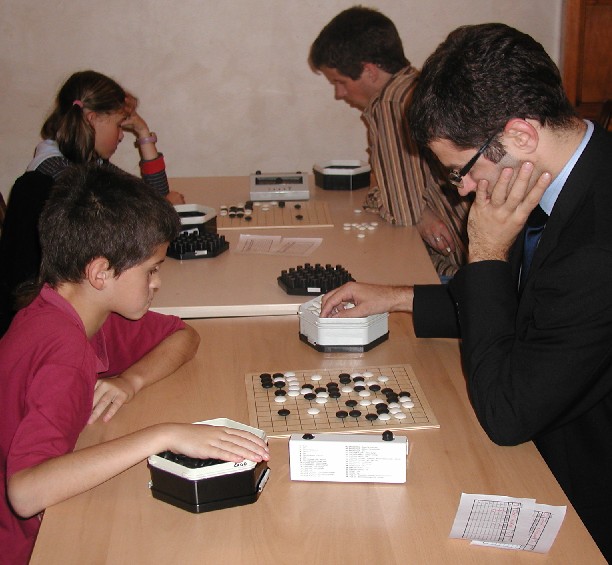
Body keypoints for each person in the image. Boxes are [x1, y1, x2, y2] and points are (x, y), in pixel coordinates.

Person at [320, 23, 612, 560]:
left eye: (462, 171)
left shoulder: (597, 243)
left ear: (520, 135)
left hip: (583, 485)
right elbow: (527, 306)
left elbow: (506, 414)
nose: (465, 191)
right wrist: (398, 297)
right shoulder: (565, 176)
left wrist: (486, 250)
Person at [0, 164, 270, 564]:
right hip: (28, 547)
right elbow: (25, 493)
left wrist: (131, 380)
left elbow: (184, 336)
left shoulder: (76, 311)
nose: (157, 282)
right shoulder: (65, 352)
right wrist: (162, 435)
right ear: (100, 272)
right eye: (151, 269)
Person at [0, 69, 185, 336]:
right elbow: (153, 216)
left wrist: (143, 132)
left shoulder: (87, 162)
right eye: (119, 125)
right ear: (92, 119)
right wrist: (161, 203)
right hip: (47, 319)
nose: (121, 135)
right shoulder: (61, 178)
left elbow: (151, 204)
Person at [309, 6, 470, 279]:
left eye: (340, 81)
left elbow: (403, 213)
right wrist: (387, 194)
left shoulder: (390, 105)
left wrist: (380, 197)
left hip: (454, 266)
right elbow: (401, 199)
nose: (339, 94)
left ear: (370, 71)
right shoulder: (420, 85)